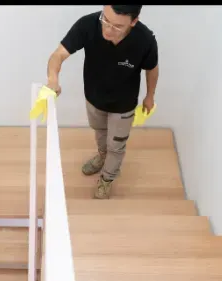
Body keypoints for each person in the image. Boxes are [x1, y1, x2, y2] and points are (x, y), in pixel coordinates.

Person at [46, 5, 159, 199]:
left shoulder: (145, 40)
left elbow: (152, 69)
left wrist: (150, 96)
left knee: (116, 145)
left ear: (133, 21)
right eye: (105, 20)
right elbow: (58, 54)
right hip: (94, 99)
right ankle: (102, 156)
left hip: (123, 105)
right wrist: (53, 79)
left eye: (117, 26)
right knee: (100, 133)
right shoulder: (88, 24)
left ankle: (107, 179)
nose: (107, 29)